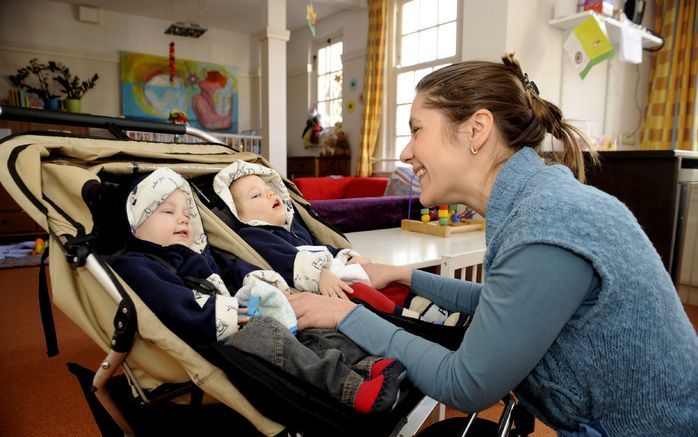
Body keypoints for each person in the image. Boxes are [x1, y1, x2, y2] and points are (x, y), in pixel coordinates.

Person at [286, 53, 698, 436]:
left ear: (476, 130)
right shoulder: (537, 200)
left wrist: (343, 316)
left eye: (416, 130)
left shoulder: (547, 221)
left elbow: (466, 383)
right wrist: (402, 275)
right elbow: (501, 303)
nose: (406, 152)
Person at [109, 167, 406, 414]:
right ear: (136, 223)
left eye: (187, 212)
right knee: (275, 340)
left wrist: (262, 283)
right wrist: (228, 312)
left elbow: (235, 269)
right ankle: (349, 388)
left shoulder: (200, 255)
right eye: (167, 211)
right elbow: (172, 304)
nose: (183, 217)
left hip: (246, 314)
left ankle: (364, 364)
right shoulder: (137, 264)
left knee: (309, 322)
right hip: (214, 336)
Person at [212, 160, 466, 326]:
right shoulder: (255, 236)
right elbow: (285, 259)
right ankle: (411, 319)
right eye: (256, 195)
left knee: (388, 281)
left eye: (269, 190)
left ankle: (429, 310)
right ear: (239, 214)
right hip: (315, 290)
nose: (269, 194)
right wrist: (319, 274)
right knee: (363, 293)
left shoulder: (295, 227)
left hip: (338, 275)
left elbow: (324, 247)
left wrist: (345, 255)